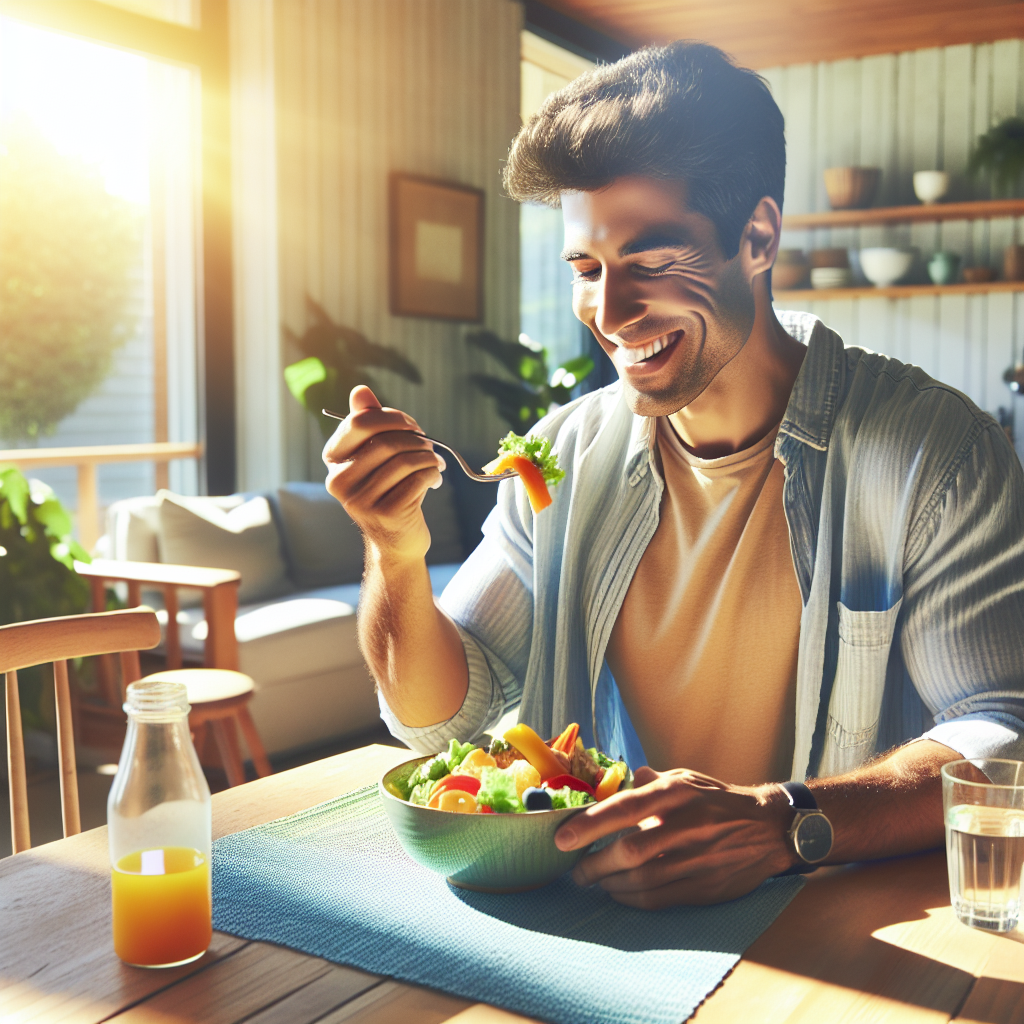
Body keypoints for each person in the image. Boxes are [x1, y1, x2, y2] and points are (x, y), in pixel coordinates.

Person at [324, 42, 1024, 908]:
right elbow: (437, 716)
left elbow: (1003, 731)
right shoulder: (564, 456)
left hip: (836, 920)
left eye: (652, 262)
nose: (610, 318)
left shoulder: (936, 454)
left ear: (758, 237)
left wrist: (783, 823)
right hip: (610, 917)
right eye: (587, 270)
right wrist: (393, 551)